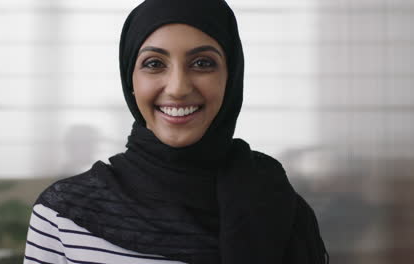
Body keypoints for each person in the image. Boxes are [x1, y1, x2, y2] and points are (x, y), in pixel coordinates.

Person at [23, 0, 329, 263]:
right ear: (131, 80)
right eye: (154, 63)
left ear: (231, 77)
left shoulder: (278, 205)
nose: (179, 88)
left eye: (202, 63)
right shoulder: (62, 215)